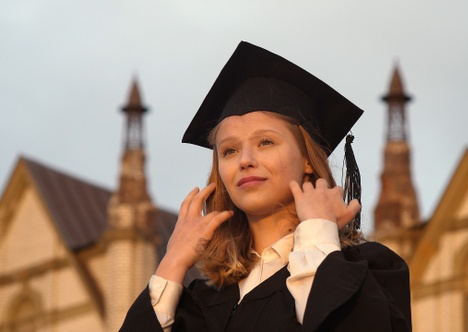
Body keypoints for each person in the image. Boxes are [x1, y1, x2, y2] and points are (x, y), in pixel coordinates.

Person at [120, 41, 412, 332]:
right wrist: (172, 263)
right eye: (229, 151)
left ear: (307, 159)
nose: (245, 160)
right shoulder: (199, 302)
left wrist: (317, 232)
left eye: (266, 142)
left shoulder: (368, 270)